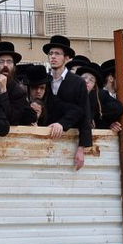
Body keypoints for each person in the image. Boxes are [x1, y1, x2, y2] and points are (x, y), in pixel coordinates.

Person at [42, 34, 93, 169]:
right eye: (51, 53)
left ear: (66, 58)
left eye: (57, 54)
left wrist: (81, 148)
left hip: (69, 141)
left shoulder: (77, 82)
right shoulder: (45, 81)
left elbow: (84, 113)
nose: (53, 57)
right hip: (45, 141)